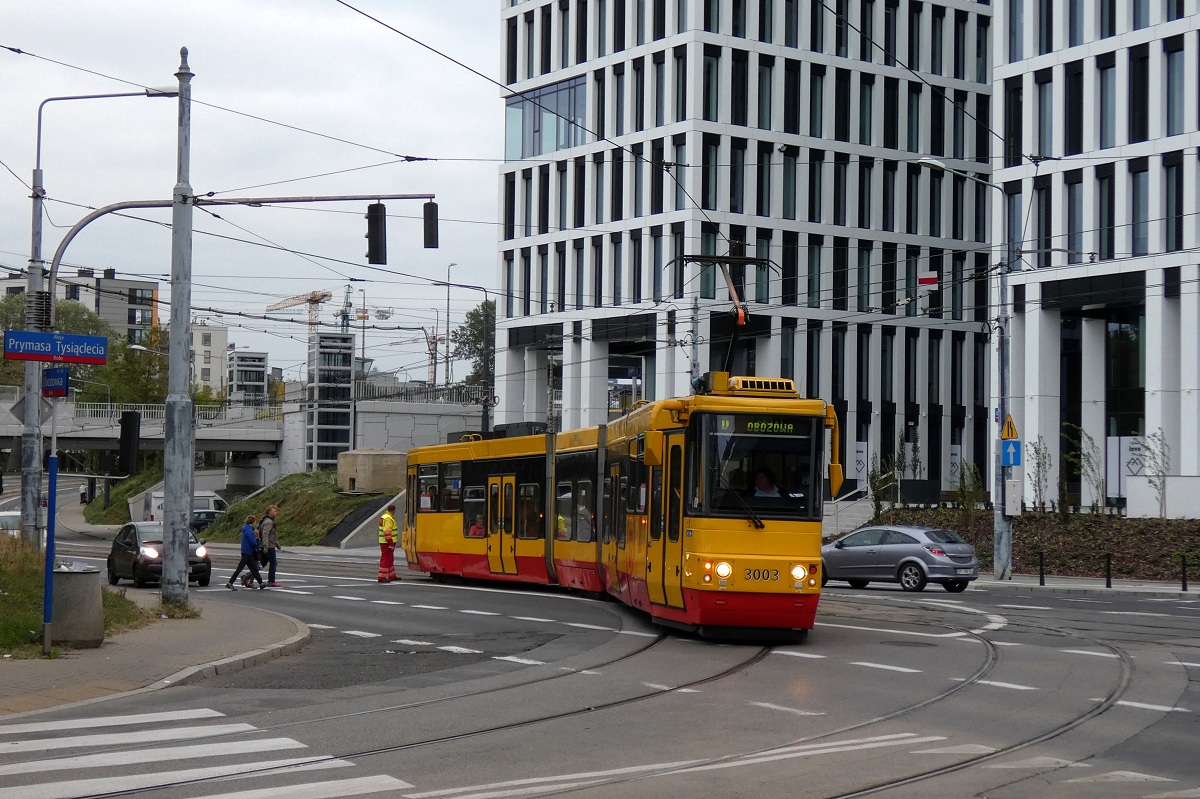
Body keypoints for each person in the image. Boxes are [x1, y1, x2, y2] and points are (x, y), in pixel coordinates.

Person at [228, 514, 265, 590]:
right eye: (255, 522)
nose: (256, 524)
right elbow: (253, 542)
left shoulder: (246, 529)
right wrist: (257, 543)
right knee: (241, 569)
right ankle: (230, 583)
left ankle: (261, 583)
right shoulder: (249, 531)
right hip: (247, 552)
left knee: (254, 569)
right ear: (253, 522)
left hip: (246, 552)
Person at [260, 505, 281, 587]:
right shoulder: (269, 522)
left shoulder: (265, 520)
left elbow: (272, 535)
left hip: (267, 545)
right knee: (273, 563)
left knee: (263, 563)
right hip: (269, 546)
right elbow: (266, 534)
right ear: (270, 512)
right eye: (275, 511)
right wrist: (266, 546)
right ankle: (271, 581)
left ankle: (248, 576)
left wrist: (277, 544)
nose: (276, 513)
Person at [378, 503, 399, 582]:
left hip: (385, 541)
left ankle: (391, 575)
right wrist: (390, 543)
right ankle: (382, 577)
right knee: (386, 559)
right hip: (387, 542)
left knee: (390, 558)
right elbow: (387, 532)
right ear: (393, 511)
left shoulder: (384, 517)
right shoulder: (388, 519)